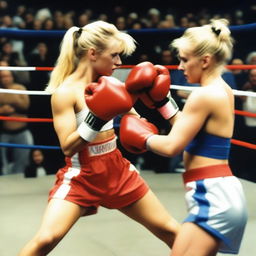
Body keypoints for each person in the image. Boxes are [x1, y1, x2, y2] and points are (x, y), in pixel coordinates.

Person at [18, 20, 180, 256]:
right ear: (93, 53)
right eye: (114, 55)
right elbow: (67, 146)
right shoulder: (65, 93)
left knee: (173, 232)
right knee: (45, 239)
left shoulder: (113, 85)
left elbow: (137, 122)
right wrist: (96, 117)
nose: (119, 63)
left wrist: (158, 102)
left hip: (117, 170)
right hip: (82, 175)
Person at [120, 19, 248, 255]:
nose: (179, 67)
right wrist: (162, 104)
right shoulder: (222, 90)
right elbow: (190, 132)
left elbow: (172, 146)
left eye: (185, 59)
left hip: (212, 195)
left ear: (205, 60)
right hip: (220, 191)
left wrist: (140, 136)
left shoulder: (204, 96)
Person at [0, 69, 34, 175]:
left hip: (22, 131)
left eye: (7, 76)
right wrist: (2, 111)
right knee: (3, 162)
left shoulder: (20, 88)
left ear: (12, 76)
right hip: (4, 132)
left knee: (23, 160)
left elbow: (26, 106)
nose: (5, 78)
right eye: (2, 76)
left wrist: (12, 97)